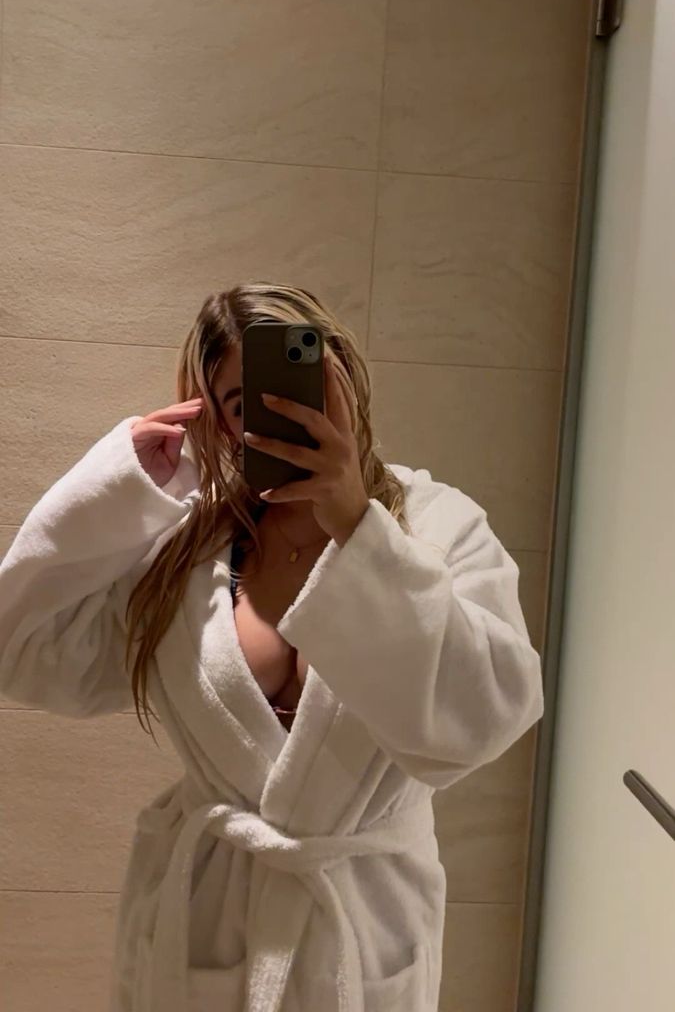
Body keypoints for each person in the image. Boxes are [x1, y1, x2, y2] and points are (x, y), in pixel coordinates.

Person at [0, 281, 545, 1012]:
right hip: (205, 922)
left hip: (360, 931)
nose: (278, 413)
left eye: (298, 386)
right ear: (219, 423)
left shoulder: (440, 528)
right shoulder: (184, 551)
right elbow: (20, 650)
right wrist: (116, 492)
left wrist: (355, 523)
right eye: (241, 402)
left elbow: (482, 720)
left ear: (342, 376)